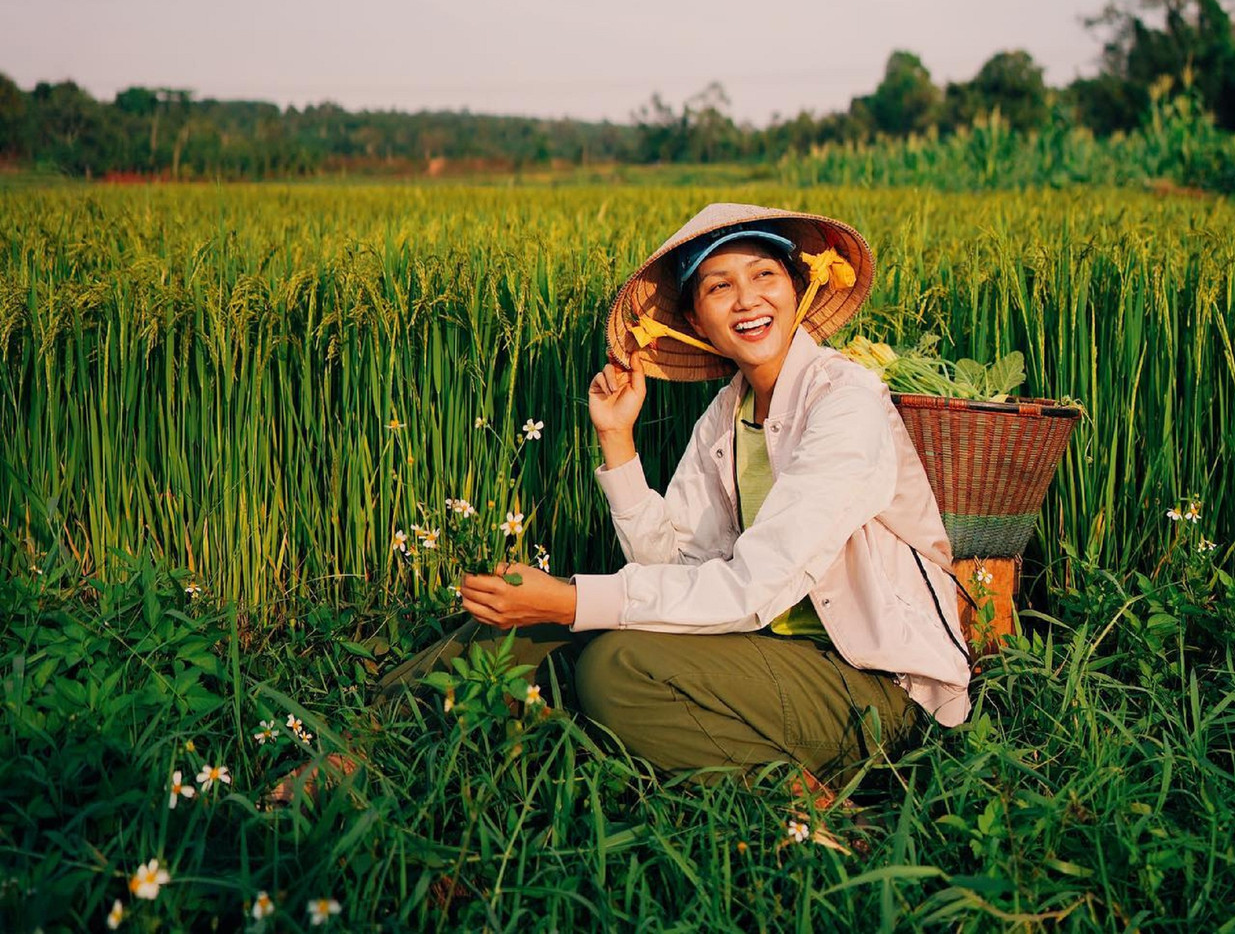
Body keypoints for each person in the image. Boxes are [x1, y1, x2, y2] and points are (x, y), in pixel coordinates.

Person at [297, 203, 970, 808]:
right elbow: (674, 561)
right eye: (718, 286)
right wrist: (616, 440)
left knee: (615, 667)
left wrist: (571, 599)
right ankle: (365, 744)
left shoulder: (843, 400)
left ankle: (807, 804)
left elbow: (756, 586)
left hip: (872, 686)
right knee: (528, 627)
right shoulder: (726, 417)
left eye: (765, 275)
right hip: (766, 656)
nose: (747, 300)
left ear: (798, 287)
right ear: (695, 320)